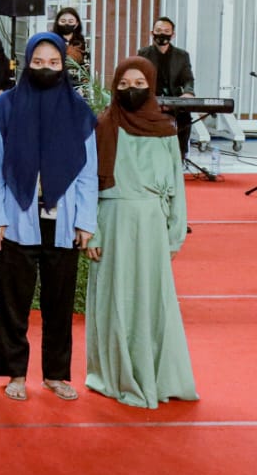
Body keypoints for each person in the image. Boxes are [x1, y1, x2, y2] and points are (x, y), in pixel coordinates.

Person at [0, 33, 97, 403]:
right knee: (14, 302)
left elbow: (87, 172)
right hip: (17, 217)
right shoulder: (5, 108)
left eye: (53, 63)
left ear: (63, 65)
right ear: (26, 63)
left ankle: (56, 374)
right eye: (38, 62)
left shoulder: (79, 111)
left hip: (64, 221)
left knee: (59, 303)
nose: (45, 69)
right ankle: (16, 373)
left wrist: (86, 222)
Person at [84, 58, 198, 408]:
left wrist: (175, 233)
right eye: (123, 84)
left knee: (152, 300)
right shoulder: (103, 125)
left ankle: (157, 375)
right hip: (113, 220)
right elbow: (89, 184)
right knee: (114, 298)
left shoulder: (165, 129)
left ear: (150, 84)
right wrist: (92, 231)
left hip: (152, 224)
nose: (130, 89)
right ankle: (116, 373)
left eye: (138, 83)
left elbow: (176, 187)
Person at [138, 16, 195, 159]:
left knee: (185, 118)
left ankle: (180, 156)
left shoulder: (182, 56)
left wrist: (188, 93)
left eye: (166, 31)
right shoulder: (143, 54)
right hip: (151, 100)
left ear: (172, 35)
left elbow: (188, 79)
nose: (162, 34)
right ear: (152, 33)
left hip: (175, 100)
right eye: (158, 30)